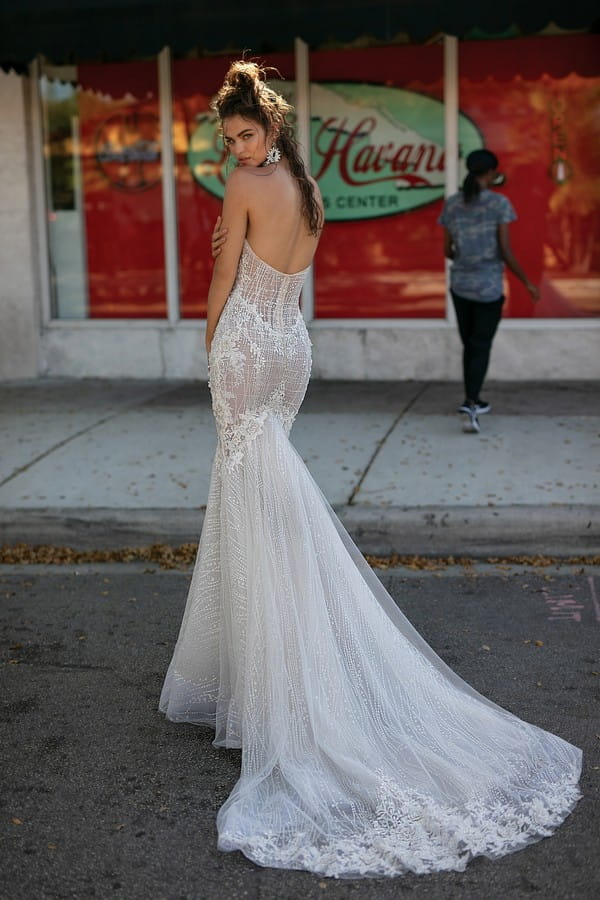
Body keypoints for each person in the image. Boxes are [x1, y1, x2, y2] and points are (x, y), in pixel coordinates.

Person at [160, 62, 581, 879]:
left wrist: (208, 338)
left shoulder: (248, 188)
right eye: (229, 140)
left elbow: (222, 274)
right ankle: (263, 672)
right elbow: (284, 268)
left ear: (271, 130)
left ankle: (282, 687)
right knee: (266, 502)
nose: (237, 149)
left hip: (250, 342)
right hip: (293, 349)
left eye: (245, 135)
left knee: (252, 499)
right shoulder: (309, 193)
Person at [439, 149, 540, 434]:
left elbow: (447, 250)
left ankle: (474, 398)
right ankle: (471, 403)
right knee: (481, 345)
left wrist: (464, 253)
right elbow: (505, 251)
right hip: (489, 288)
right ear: (491, 173)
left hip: (460, 285)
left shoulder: (452, 204)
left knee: (470, 345)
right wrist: (528, 283)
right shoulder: (499, 203)